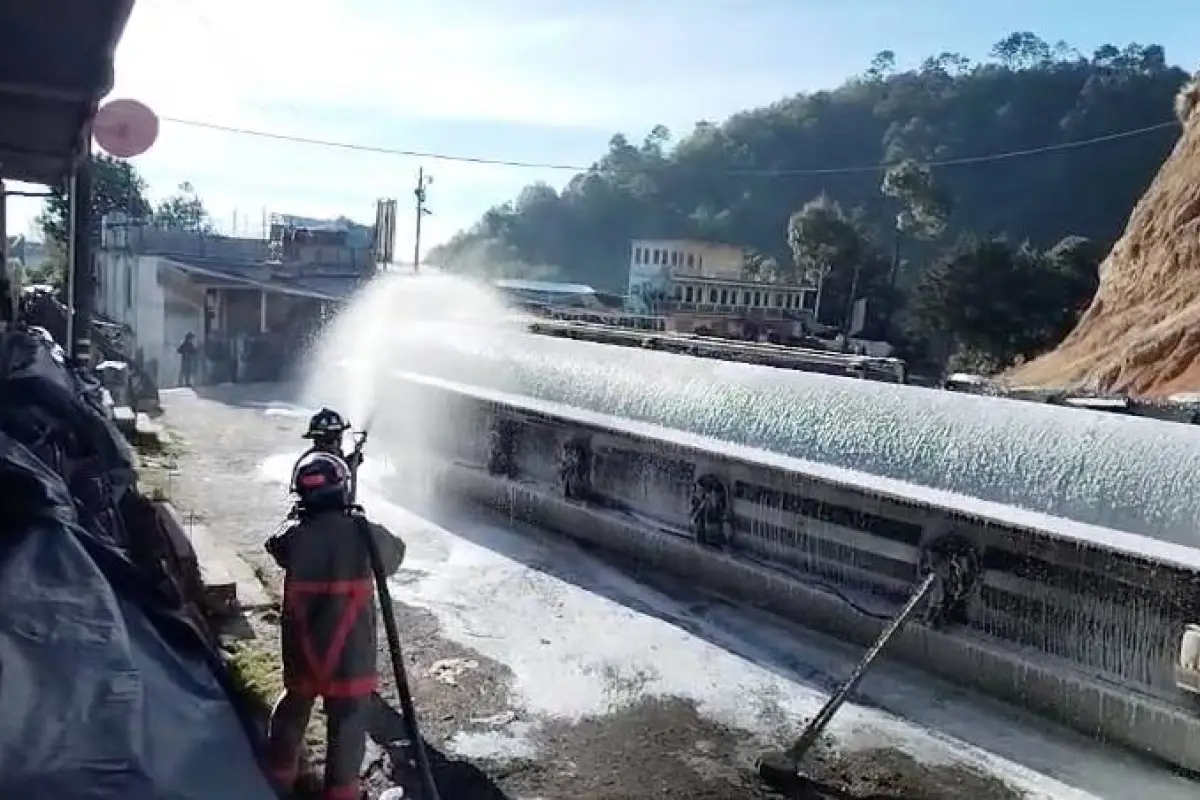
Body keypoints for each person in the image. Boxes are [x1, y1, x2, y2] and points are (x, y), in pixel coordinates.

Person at [263, 451, 406, 800]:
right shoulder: (365, 534)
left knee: (294, 706)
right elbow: (396, 555)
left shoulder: (294, 536)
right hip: (350, 657)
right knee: (349, 721)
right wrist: (355, 517)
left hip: (304, 652)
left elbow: (276, 545)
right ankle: (340, 793)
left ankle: (276, 777)